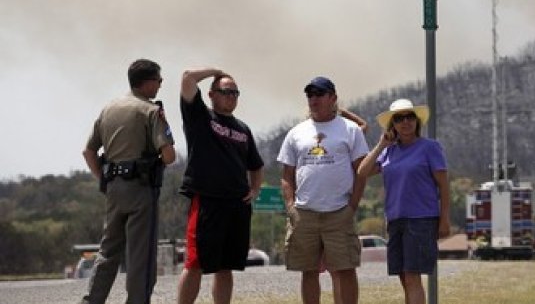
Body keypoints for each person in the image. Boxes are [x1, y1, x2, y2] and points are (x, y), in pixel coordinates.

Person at [80, 59, 176, 304]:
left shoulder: (109, 109)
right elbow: (169, 155)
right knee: (140, 256)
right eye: (159, 80)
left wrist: (104, 179)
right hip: (140, 190)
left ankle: (92, 300)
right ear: (147, 82)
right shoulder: (150, 110)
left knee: (108, 251)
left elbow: (89, 152)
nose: (160, 85)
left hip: (113, 189)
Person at [176, 68, 264, 304]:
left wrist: (254, 191)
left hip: (236, 205)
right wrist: (217, 70)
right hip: (207, 201)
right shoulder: (200, 117)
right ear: (211, 94)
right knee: (194, 264)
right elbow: (187, 78)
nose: (231, 96)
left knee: (226, 267)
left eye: (235, 93)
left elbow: (256, 166)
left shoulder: (243, 129)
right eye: (225, 91)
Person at [279, 76, 370, 304]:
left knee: (345, 269)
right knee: (308, 271)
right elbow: (287, 176)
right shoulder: (296, 132)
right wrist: (291, 208)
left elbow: (361, 172)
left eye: (319, 94)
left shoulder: (350, 130)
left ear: (333, 98)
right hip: (305, 213)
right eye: (310, 95)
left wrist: (352, 207)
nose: (313, 99)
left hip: (339, 211)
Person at [356, 99, 451, 304]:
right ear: (393, 125)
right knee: (403, 277)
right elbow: (362, 171)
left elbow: (444, 186)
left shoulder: (430, 147)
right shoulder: (388, 151)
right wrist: (382, 143)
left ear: (417, 121)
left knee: (411, 276)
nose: (405, 122)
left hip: (421, 219)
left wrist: (444, 220)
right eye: (399, 119)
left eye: (409, 117)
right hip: (395, 220)